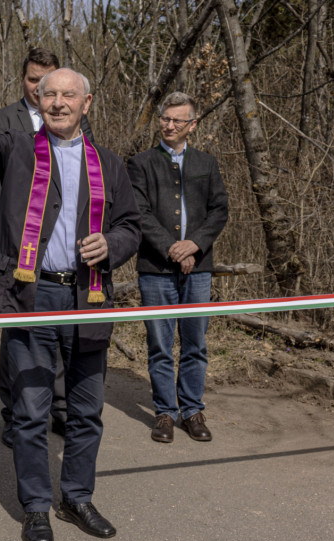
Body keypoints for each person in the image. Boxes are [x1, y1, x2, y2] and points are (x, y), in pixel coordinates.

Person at [0, 34, 140, 541]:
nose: (57, 102)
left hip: (88, 299)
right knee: (32, 413)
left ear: (85, 103)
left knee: (86, 411)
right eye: (48, 94)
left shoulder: (110, 164)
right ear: (37, 98)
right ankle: (36, 506)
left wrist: (113, 244)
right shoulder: (16, 149)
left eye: (67, 95)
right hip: (31, 297)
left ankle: (77, 497)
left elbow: (130, 225)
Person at [0, 48, 96, 448]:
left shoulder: (75, 119)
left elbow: (88, 178)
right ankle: (14, 413)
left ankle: (60, 408)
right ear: (25, 80)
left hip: (66, 246)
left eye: (48, 82)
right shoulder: (5, 119)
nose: (43, 91)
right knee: (18, 334)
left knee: (64, 333)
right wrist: (28, 209)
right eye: (35, 80)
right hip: (19, 244)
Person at [127, 92, 229, 443]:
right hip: (155, 267)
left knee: (195, 343)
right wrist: (173, 248)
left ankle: (192, 411)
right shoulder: (140, 163)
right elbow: (138, 212)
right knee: (159, 344)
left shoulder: (206, 163)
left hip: (198, 267)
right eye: (165, 119)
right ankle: (165, 413)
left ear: (192, 125)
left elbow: (219, 210)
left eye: (177, 120)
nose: (169, 125)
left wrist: (194, 244)